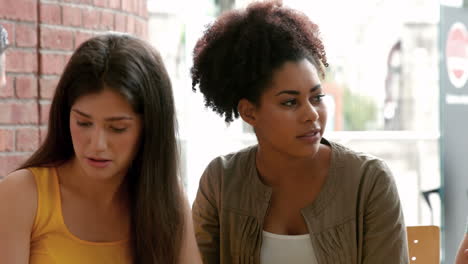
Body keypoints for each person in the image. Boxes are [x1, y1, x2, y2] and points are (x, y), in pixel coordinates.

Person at [190, 1, 409, 263]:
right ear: (250, 113)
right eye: (290, 102)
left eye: (316, 97)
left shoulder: (369, 181)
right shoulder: (221, 182)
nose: (312, 114)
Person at [0, 34, 201, 264]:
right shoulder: (21, 196)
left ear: (149, 130)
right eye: (83, 123)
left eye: (117, 128)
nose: (97, 144)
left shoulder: (167, 200)